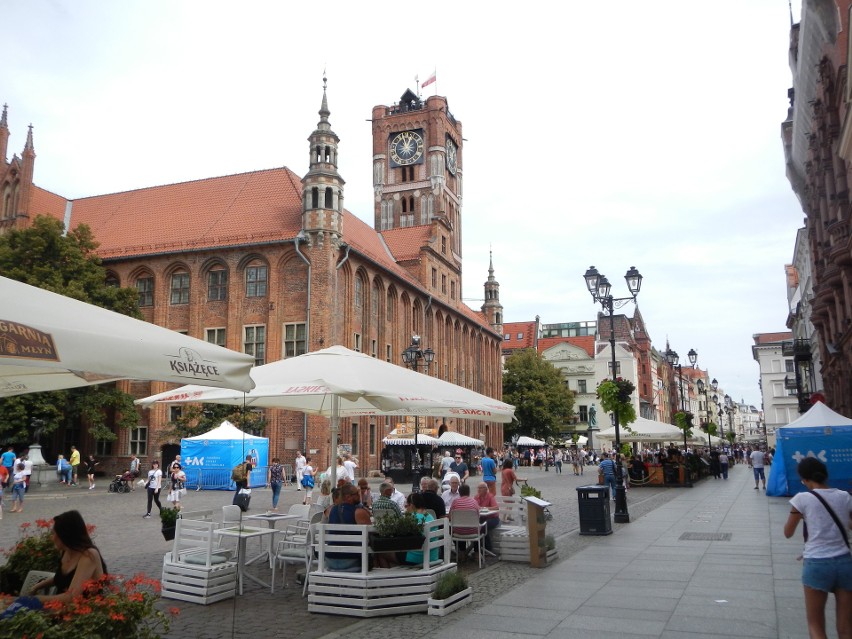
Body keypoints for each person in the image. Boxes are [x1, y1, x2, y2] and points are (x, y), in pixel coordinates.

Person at [783, 457, 852, 639]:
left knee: (815, 625)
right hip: (845, 562)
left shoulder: (802, 499)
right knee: (846, 628)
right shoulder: (844, 496)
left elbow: (788, 532)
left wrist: (806, 516)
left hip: (817, 563)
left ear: (805, 479)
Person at [0, 510, 107, 619]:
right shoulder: (66, 551)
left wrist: (37, 598)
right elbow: (60, 578)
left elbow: (71, 597)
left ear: (65, 535)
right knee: (11, 607)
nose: (52, 538)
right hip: (59, 608)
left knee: (16, 611)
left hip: (80, 614)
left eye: (54, 533)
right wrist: (36, 586)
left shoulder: (88, 556)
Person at [326, 484, 371, 571]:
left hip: (330, 559)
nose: (359, 495)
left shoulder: (331, 510)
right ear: (348, 497)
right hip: (351, 559)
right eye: (357, 494)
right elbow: (369, 536)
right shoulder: (358, 512)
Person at [402, 492, 438, 566]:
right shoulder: (429, 516)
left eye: (407, 506)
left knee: (383, 555)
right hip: (432, 556)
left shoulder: (411, 517)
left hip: (415, 558)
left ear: (411, 505)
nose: (406, 508)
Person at [474, 481, 501, 548]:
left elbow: (496, 507)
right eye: (478, 488)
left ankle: (488, 548)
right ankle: (477, 549)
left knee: (483, 527)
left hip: (493, 518)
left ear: (486, 489)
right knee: (473, 527)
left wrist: (485, 508)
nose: (478, 490)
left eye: (481, 488)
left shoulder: (490, 496)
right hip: (481, 517)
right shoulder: (476, 497)